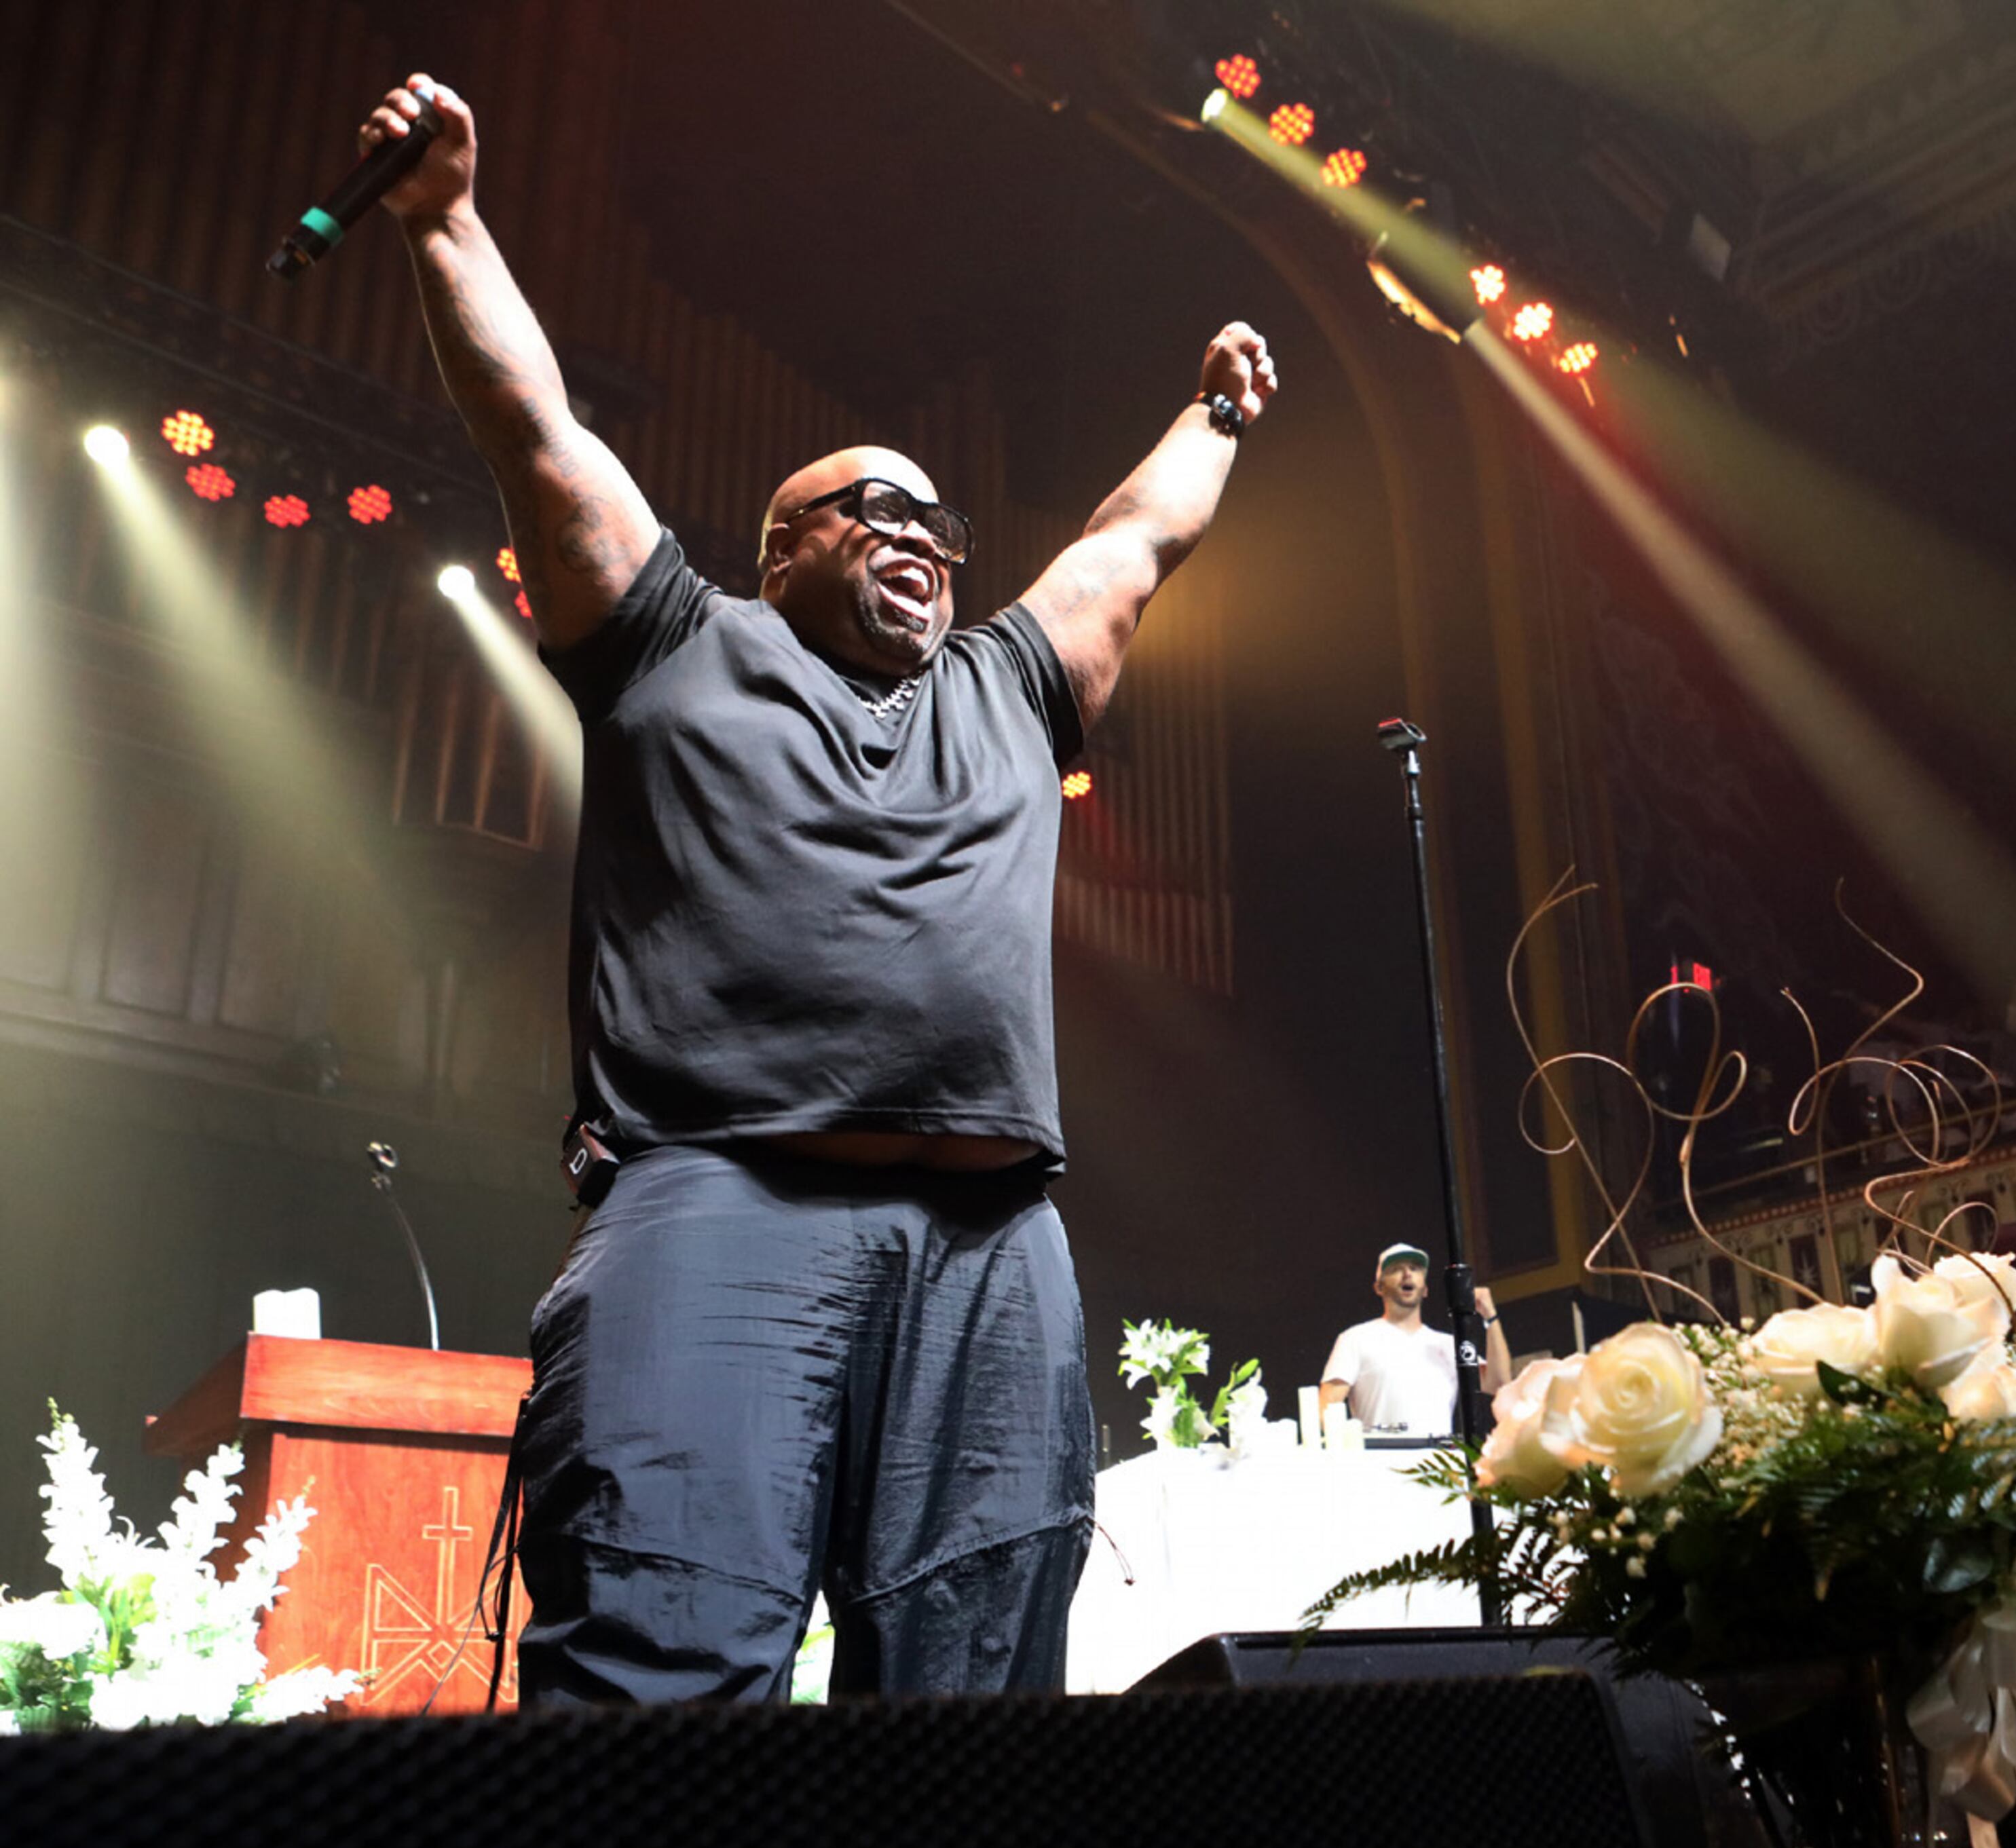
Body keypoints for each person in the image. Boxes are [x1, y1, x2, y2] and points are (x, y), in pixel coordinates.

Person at [362, 75, 1278, 1705]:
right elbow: (535, 429)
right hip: (717, 1194)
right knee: (666, 1642)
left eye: (942, 517)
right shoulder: (673, 643)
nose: (923, 530)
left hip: (988, 1231)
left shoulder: (1004, 688)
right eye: (877, 507)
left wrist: (1211, 413)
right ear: (781, 548)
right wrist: (442, 221)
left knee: (976, 1674)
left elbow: (1133, 543)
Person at [1319, 1245, 1511, 1436]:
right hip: (1379, 1462)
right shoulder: (1355, 1339)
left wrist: (1490, 1316)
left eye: (1415, 1269)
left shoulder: (1449, 1344)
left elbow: (1498, 1383)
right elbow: (1326, 1412)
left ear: (1425, 1289)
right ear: (1379, 1287)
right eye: (1396, 1269)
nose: (1407, 1274)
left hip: (1440, 1462)